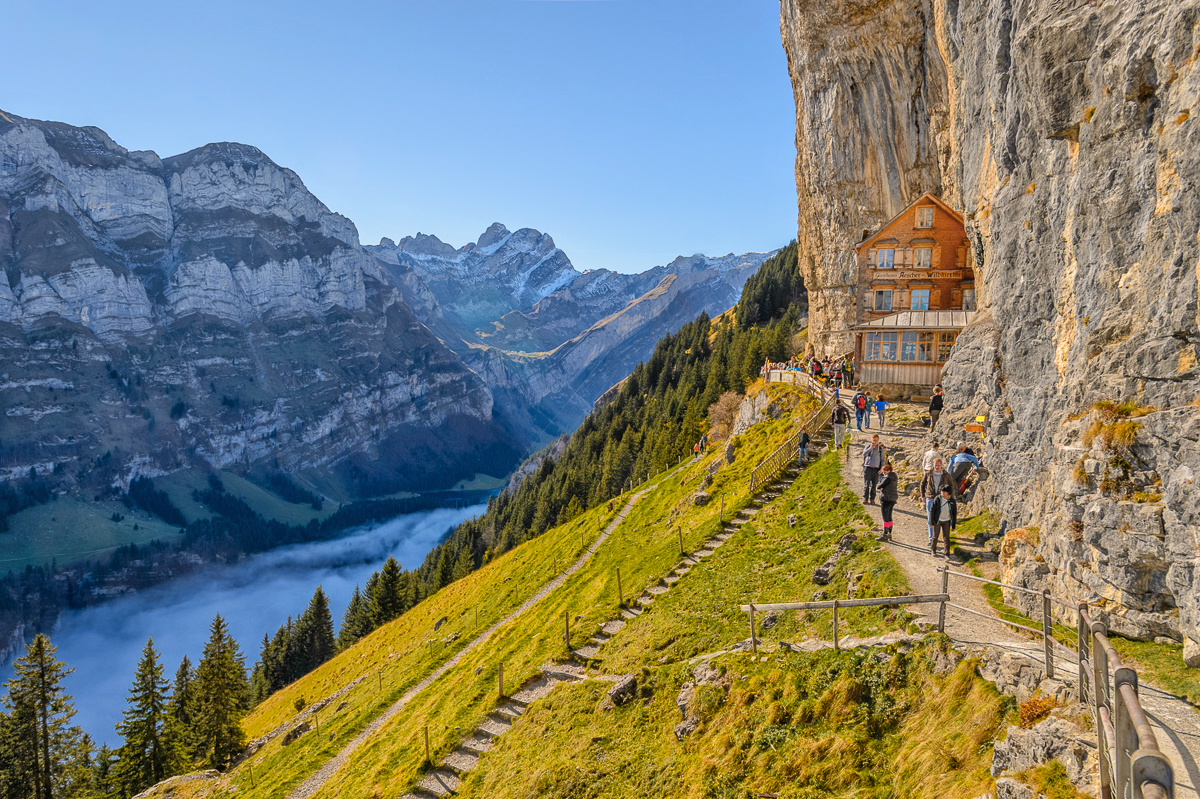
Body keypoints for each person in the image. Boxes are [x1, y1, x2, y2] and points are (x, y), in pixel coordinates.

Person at [921, 458, 957, 543]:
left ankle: (939, 536)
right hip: (930, 497)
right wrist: (923, 496)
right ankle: (931, 538)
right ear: (933, 465)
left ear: (941, 465)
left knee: (941, 517)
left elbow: (951, 486)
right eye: (935, 465)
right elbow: (922, 484)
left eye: (938, 465)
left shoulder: (946, 475)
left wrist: (951, 497)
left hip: (942, 499)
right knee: (930, 517)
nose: (937, 467)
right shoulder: (928, 474)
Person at [928, 484, 958, 557]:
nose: (942, 493)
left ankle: (947, 554)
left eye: (944, 492)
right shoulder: (937, 499)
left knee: (946, 538)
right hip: (937, 521)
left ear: (948, 492)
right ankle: (933, 550)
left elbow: (954, 513)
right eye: (942, 491)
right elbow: (932, 511)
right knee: (935, 537)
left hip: (947, 521)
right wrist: (931, 522)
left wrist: (953, 525)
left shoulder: (952, 501)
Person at [862, 434, 885, 504]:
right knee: (867, 484)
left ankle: (872, 499)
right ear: (871, 440)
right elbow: (864, 454)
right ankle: (865, 498)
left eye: (876, 440)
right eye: (873, 440)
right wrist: (870, 448)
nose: (874, 442)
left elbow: (882, 460)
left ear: (878, 440)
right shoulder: (867, 446)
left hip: (876, 469)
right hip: (868, 467)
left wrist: (882, 468)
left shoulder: (880, 449)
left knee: (874, 485)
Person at [877, 463, 897, 540]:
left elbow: (879, 486)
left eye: (886, 471)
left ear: (889, 471)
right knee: (889, 516)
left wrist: (882, 487)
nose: (884, 472)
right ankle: (889, 533)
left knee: (885, 517)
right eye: (884, 471)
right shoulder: (894, 477)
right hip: (893, 499)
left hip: (886, 499)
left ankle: (885, 534)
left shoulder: (887, 478)